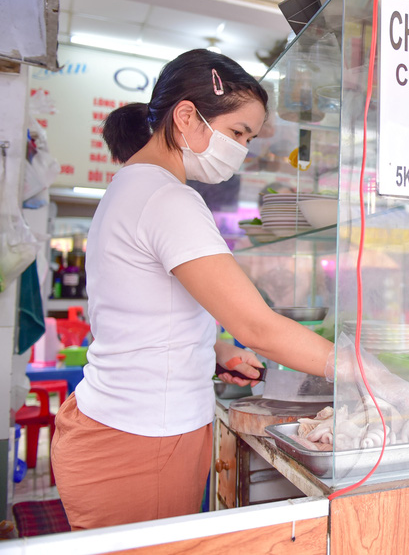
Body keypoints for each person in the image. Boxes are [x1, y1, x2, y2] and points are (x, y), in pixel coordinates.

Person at [50, 50, 337, 530]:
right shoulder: (168, 198)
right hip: (140, 444)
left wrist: (214, 348)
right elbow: (257, 326)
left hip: (116, 428)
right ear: (187, 116)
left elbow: (141, 311)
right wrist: (356, 368)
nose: (242, 149)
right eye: (239, 133)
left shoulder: (134, 188)